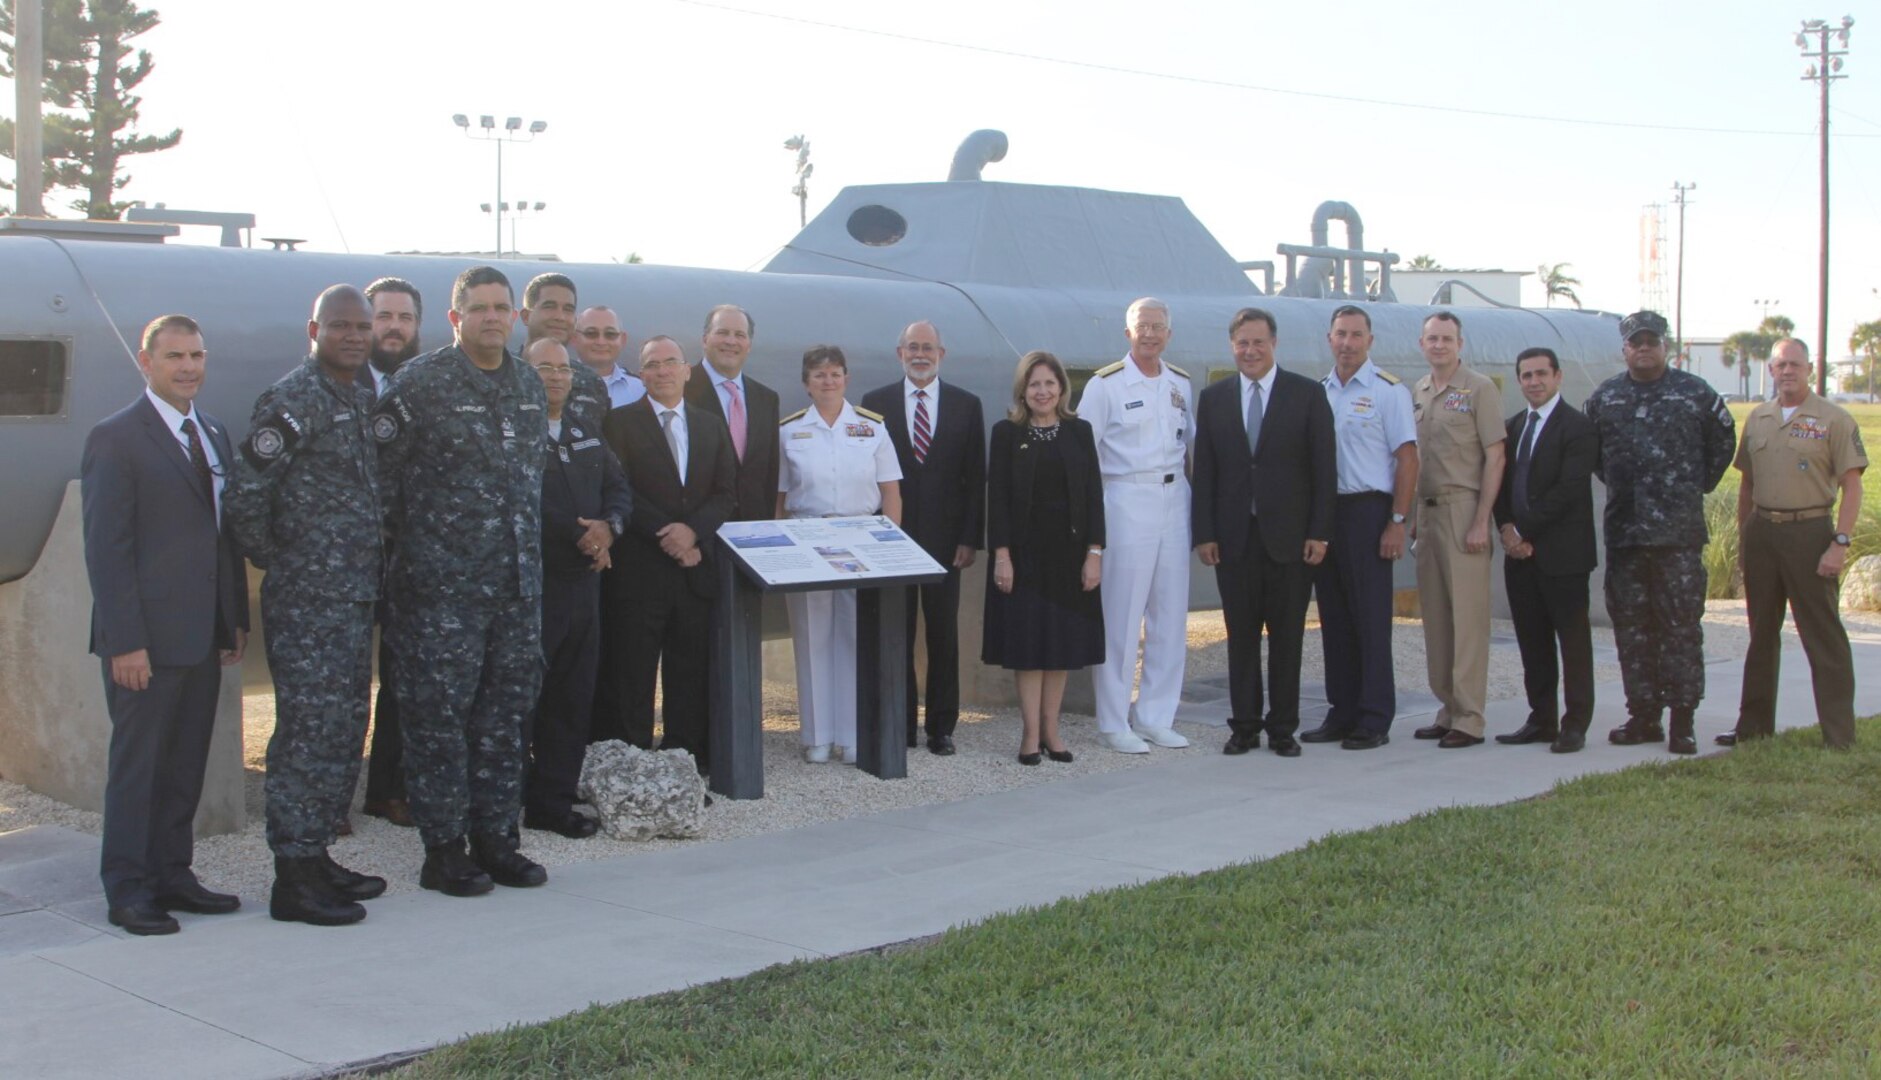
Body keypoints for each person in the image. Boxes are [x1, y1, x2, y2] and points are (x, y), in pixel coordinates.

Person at [372, 265, 551, 894]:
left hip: (515, 591)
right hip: (439, 595)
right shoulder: (418, 385)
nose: (493, 318)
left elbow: (531, 485)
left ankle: (497, 839)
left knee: (505, 720)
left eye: (503, 307)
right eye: (480, 308)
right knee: (439, 723)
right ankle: (444, 848)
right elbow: (381, 487)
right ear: (456, 319)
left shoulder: (529, 383)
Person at [81, 314, 249, 936]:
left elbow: (220, 536)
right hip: (144, 642)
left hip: (202, 636)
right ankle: (128, 888)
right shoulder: (116, 438)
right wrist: (125, 641)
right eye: (174, 356)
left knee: (184, 765)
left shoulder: (212, 433)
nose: (188, 367)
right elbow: (107, 548)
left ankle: (173, 874)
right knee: (139, 767)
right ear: (146, 363)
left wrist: (233, 619)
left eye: (197, 355)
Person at [225, 285, 388, 925]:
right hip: (308, 601)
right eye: (340, 326)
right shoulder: (293, 398)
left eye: (361, 326)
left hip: (351, 596)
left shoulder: (360, 393)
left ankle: (318, 855)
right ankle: (292, 877)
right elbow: (245, 496)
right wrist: (285, 560)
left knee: (345, 727)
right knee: (306, 734)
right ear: (314, 330)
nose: (353, 335)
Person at [1584, 310, 1735, 754]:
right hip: (1626, 534)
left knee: (1681, 628)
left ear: (1666, 346)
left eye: (1651, 341)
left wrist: (1693, 486)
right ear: (1625, 348)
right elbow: (1592, 453)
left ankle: (1683, 719)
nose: (1644, 348)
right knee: (1632, 629)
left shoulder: (1694, 393)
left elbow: (1722, 442)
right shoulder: (1606, 397)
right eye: (1636, 342)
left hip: (1678, 534)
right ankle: (1643, 715)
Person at [1192, 308, 1336, 758]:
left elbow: (1323, 469)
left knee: (1287, 638)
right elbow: (1206, 472)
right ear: (1232, 346)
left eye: (1258, 342)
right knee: (1241, 638)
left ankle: (1282, 730)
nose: (1250, 351)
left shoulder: (1307, 394)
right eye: (1242, 343)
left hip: (1290, 540)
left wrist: (1319, 531)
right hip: (1234, 540)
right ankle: (1245, 727)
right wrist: (1205, 533)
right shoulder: (1214, 398)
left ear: (1274, 344)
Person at [1725, 338, 1866, 749]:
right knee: (1761, 633)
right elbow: (1747, 483)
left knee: (1822, 635)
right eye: (1780, 364)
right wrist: (1744, 538)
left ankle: (1839, 736)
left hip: (1810, 533)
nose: (1787, 371)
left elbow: (1852, 486)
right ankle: (1753, 728)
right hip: (1763, 532)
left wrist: (1840, 542)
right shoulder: (1758, 419)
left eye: (1795, 364)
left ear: (1810, 370)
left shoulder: (1833, 419)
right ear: (1770, 370)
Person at [601, 337, 736, 766]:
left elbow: (726, 492)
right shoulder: (619, 423)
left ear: (686, 370)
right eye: (652, 365)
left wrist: (692, 533)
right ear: (641, 375)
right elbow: (619, 490)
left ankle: (686, 761)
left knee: (689, 674)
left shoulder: (710, 425)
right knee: (634, 675)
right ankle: (633, 764)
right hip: (639, 572)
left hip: (695, 573)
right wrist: (671, 536)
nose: (662, 371)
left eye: (670, 363)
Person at [1076, 298, 1196, 754]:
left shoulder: (1179, 383)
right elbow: (1085, 457)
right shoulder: (1105, 386)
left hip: (1173, 498)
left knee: (1168, 614)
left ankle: (1155, 715)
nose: (1150, 334)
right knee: (1122, 615)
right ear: (1127, 333)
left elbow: (1191, 450)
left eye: (1158, 327)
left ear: (1169, 334)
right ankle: (1112, 720)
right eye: (1142, 326)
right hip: (1125, 497)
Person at [860, 321, 986, 756]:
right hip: (891, 541)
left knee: (942, 636)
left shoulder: (967, 406)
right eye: (912, 347)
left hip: (946, 544)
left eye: (927, 347)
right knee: (896, 632)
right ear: (899, 353)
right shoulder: (874, 404)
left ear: (941, 354)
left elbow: (975, 479)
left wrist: (970, 537)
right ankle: (900, 723)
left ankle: (940, 728)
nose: (920, 354)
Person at [776, 346, 903, 763]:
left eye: (834, 373)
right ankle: (815, 736)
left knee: (852, 637)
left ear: (847, 378)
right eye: (818, 375)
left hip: (860, 536)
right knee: (812, 637)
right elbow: (779, 498)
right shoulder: (790, 431)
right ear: (806, 383)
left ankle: (849, 736)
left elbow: (891, 493)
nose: (827, 381)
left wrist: (891, 545)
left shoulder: (871, 428)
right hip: (807, 535)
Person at [525, 338, 630, 838]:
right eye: (544, 367)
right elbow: (519, 500)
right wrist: (581, 534)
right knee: (525, 699)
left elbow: (618, 487)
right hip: (536, 586)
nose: (555, 376)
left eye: (563, 369)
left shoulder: (584, 430)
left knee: (572, 698)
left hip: (584, 586)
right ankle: (510, 800)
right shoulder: (514, 433)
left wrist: (609, 527)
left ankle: (554, 802)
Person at [1301, 305, 1418, 750]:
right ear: (1329, 339)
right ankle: (1342, 711)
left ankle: (1373, 717)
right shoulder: (1319, 393)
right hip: (1328, 513)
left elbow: (1408, 459)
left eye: (1356, 335)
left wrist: (1397, 522)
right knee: (1334, 617)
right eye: (1340, 335)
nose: (1347, 343)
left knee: (1370, 618)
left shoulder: (1389, 392)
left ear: (1370, 340)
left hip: (1370, 511)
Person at [983, 351, 1104, 765]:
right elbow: (996, 498)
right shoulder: (1005, 432)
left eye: (1050, 383)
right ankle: (1030, 734)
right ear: (1023, 389)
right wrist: (1002, 555)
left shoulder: (1079, 432)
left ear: (1061, 389)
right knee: (1030, 647)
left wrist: (1094, 553)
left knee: (1061, 647)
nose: (1042, 391)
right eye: (1034, 384)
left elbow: (1092, 496)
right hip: (1022, 559)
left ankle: (1053, 731)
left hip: (1069, 558)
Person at [1492, 347, 1599, 753]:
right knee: (1532, 643)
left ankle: (1575, 724)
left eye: (1541, 374)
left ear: (1558, 377)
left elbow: (1569, 491)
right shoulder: (1514, 427)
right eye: (1526, 375)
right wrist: (1506, 528)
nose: (1533, 381)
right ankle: (1542, 719)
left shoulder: (1578, 427)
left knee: (1572, 643)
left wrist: (1523, 529)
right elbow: (1501, 484)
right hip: (1520, 558)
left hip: (1563, 556)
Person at [1408, 312, 1506, 749]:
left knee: (1467, 619)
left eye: (1447, 338)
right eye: (1432, 338)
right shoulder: (1420, 391)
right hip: (1427, 513)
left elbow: (1496, 456)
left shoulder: (1479, 389)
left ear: (1460, 344)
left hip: (1463, 508)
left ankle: (1470, 717)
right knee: (1437, 619)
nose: (1439, 345)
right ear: (1422, 343)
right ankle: (1447, 707)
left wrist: (1482, 519)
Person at [359, 276, 421, 828]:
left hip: (414, 559)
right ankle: (327, 801)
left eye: (404, 318)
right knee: (342, 685)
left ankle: (390, 787)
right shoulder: (338, 385)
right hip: (348, 561)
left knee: (406, 679)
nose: (394, 327)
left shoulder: (428, 386)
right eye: (384, 317)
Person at [685, 304, 781, 522]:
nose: (731, 341)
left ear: (748, 345)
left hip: (753, 527)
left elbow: (769, 472)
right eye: (722, 332)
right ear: (704, 339)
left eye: (740, 335)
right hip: (697, 532)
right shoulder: (680, 391)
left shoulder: (767, 399)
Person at [521, 272, 610, 429]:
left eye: (568, 309)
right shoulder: (503, 374)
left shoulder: (591, 384)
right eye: (549, 306)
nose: (560, 317)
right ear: (526, 316)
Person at [574, 305, 646, 408]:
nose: (601, 342)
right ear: (575, 338)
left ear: (623, 340)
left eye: (610, 334)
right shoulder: (557, 384)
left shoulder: (641, 390)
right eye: (591, 333)